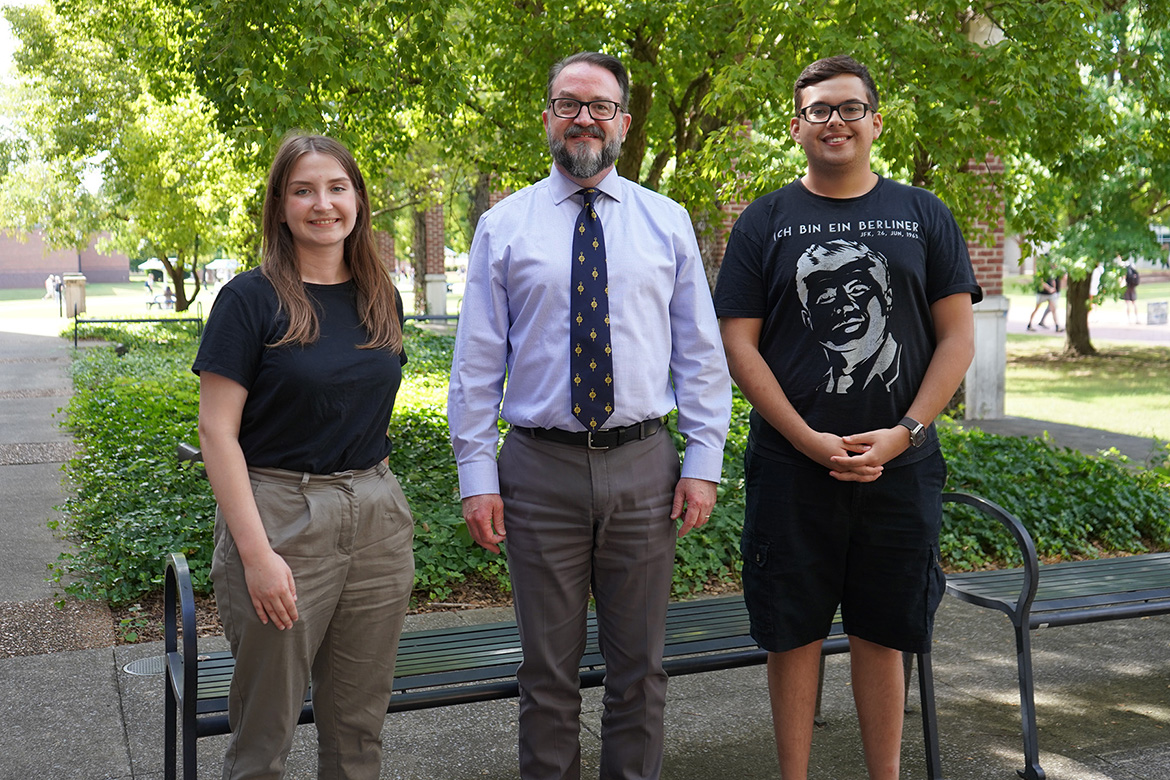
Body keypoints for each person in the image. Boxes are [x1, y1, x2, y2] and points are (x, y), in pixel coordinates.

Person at [447, 51, 732, 780]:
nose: (584, 117)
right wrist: (477, 476)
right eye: (569, 103)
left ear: (624, 124)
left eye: (600, 106)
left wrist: (703, 463)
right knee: (546, 675)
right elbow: (477, 364)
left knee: (641, 670)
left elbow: (701, 353)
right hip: (538, 471)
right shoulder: (503, 227)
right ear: (547, 118)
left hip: (644, 467)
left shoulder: (666, 223)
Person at [713, 55, 981, 780]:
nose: (835, 121)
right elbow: (739, 343)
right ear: (796, 125)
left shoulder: (925, 215)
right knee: (791, 632)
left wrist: (905, 434)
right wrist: (806, 439)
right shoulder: (763, 222)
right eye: (820, 110)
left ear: (875, 120)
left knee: (883, 631)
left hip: (901, 467)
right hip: (789, 468)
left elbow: (957, 339)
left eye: (850, 108)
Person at [193, 134, 414, 780]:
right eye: (304, 190)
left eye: (337, 188)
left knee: (357, 732)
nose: (323, 204)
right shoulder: (248, 301)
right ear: (280, 206)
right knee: (265, 738)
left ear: (358, 200)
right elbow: (215, 433)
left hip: (375, 519)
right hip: (280, 516)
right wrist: (257, 556)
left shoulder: (381, 296)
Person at [1124, 259, 1140, 324]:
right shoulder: (1132, 266)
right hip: (1132, 287)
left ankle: (1128, 318)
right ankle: (1137, 318)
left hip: (1127, 287)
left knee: (1127, 303)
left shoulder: (1125, 268)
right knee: (1134, 303)